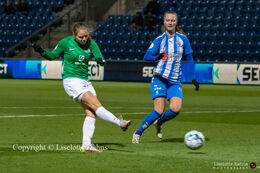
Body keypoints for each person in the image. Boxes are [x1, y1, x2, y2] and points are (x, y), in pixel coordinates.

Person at [32, 22, 131, 152]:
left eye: (86, 36)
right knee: (96, 105)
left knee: (91, 113)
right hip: (71, 80)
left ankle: (86, 145)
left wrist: (101, 61)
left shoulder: (91, 43)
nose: (84, 39)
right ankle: (119, 122)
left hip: (86, 81)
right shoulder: (65, 42)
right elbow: (52, 56)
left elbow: (99, 56)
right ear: (74, 35)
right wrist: (41, 51)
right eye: (81, 37)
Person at [132, 11, 199, 144]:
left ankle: (159, 123)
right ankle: (138, 133)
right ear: (164, 22)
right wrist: (156, 57)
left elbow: (190, 58)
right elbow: (146, 56)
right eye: (168, 20)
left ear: (176, 22)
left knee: (176, 109)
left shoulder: (183, 39)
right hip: (159, 79)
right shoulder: (159, 39)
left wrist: (192, 77)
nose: (170, 22)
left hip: (174, 81)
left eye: (173, 20)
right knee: (158, 110)